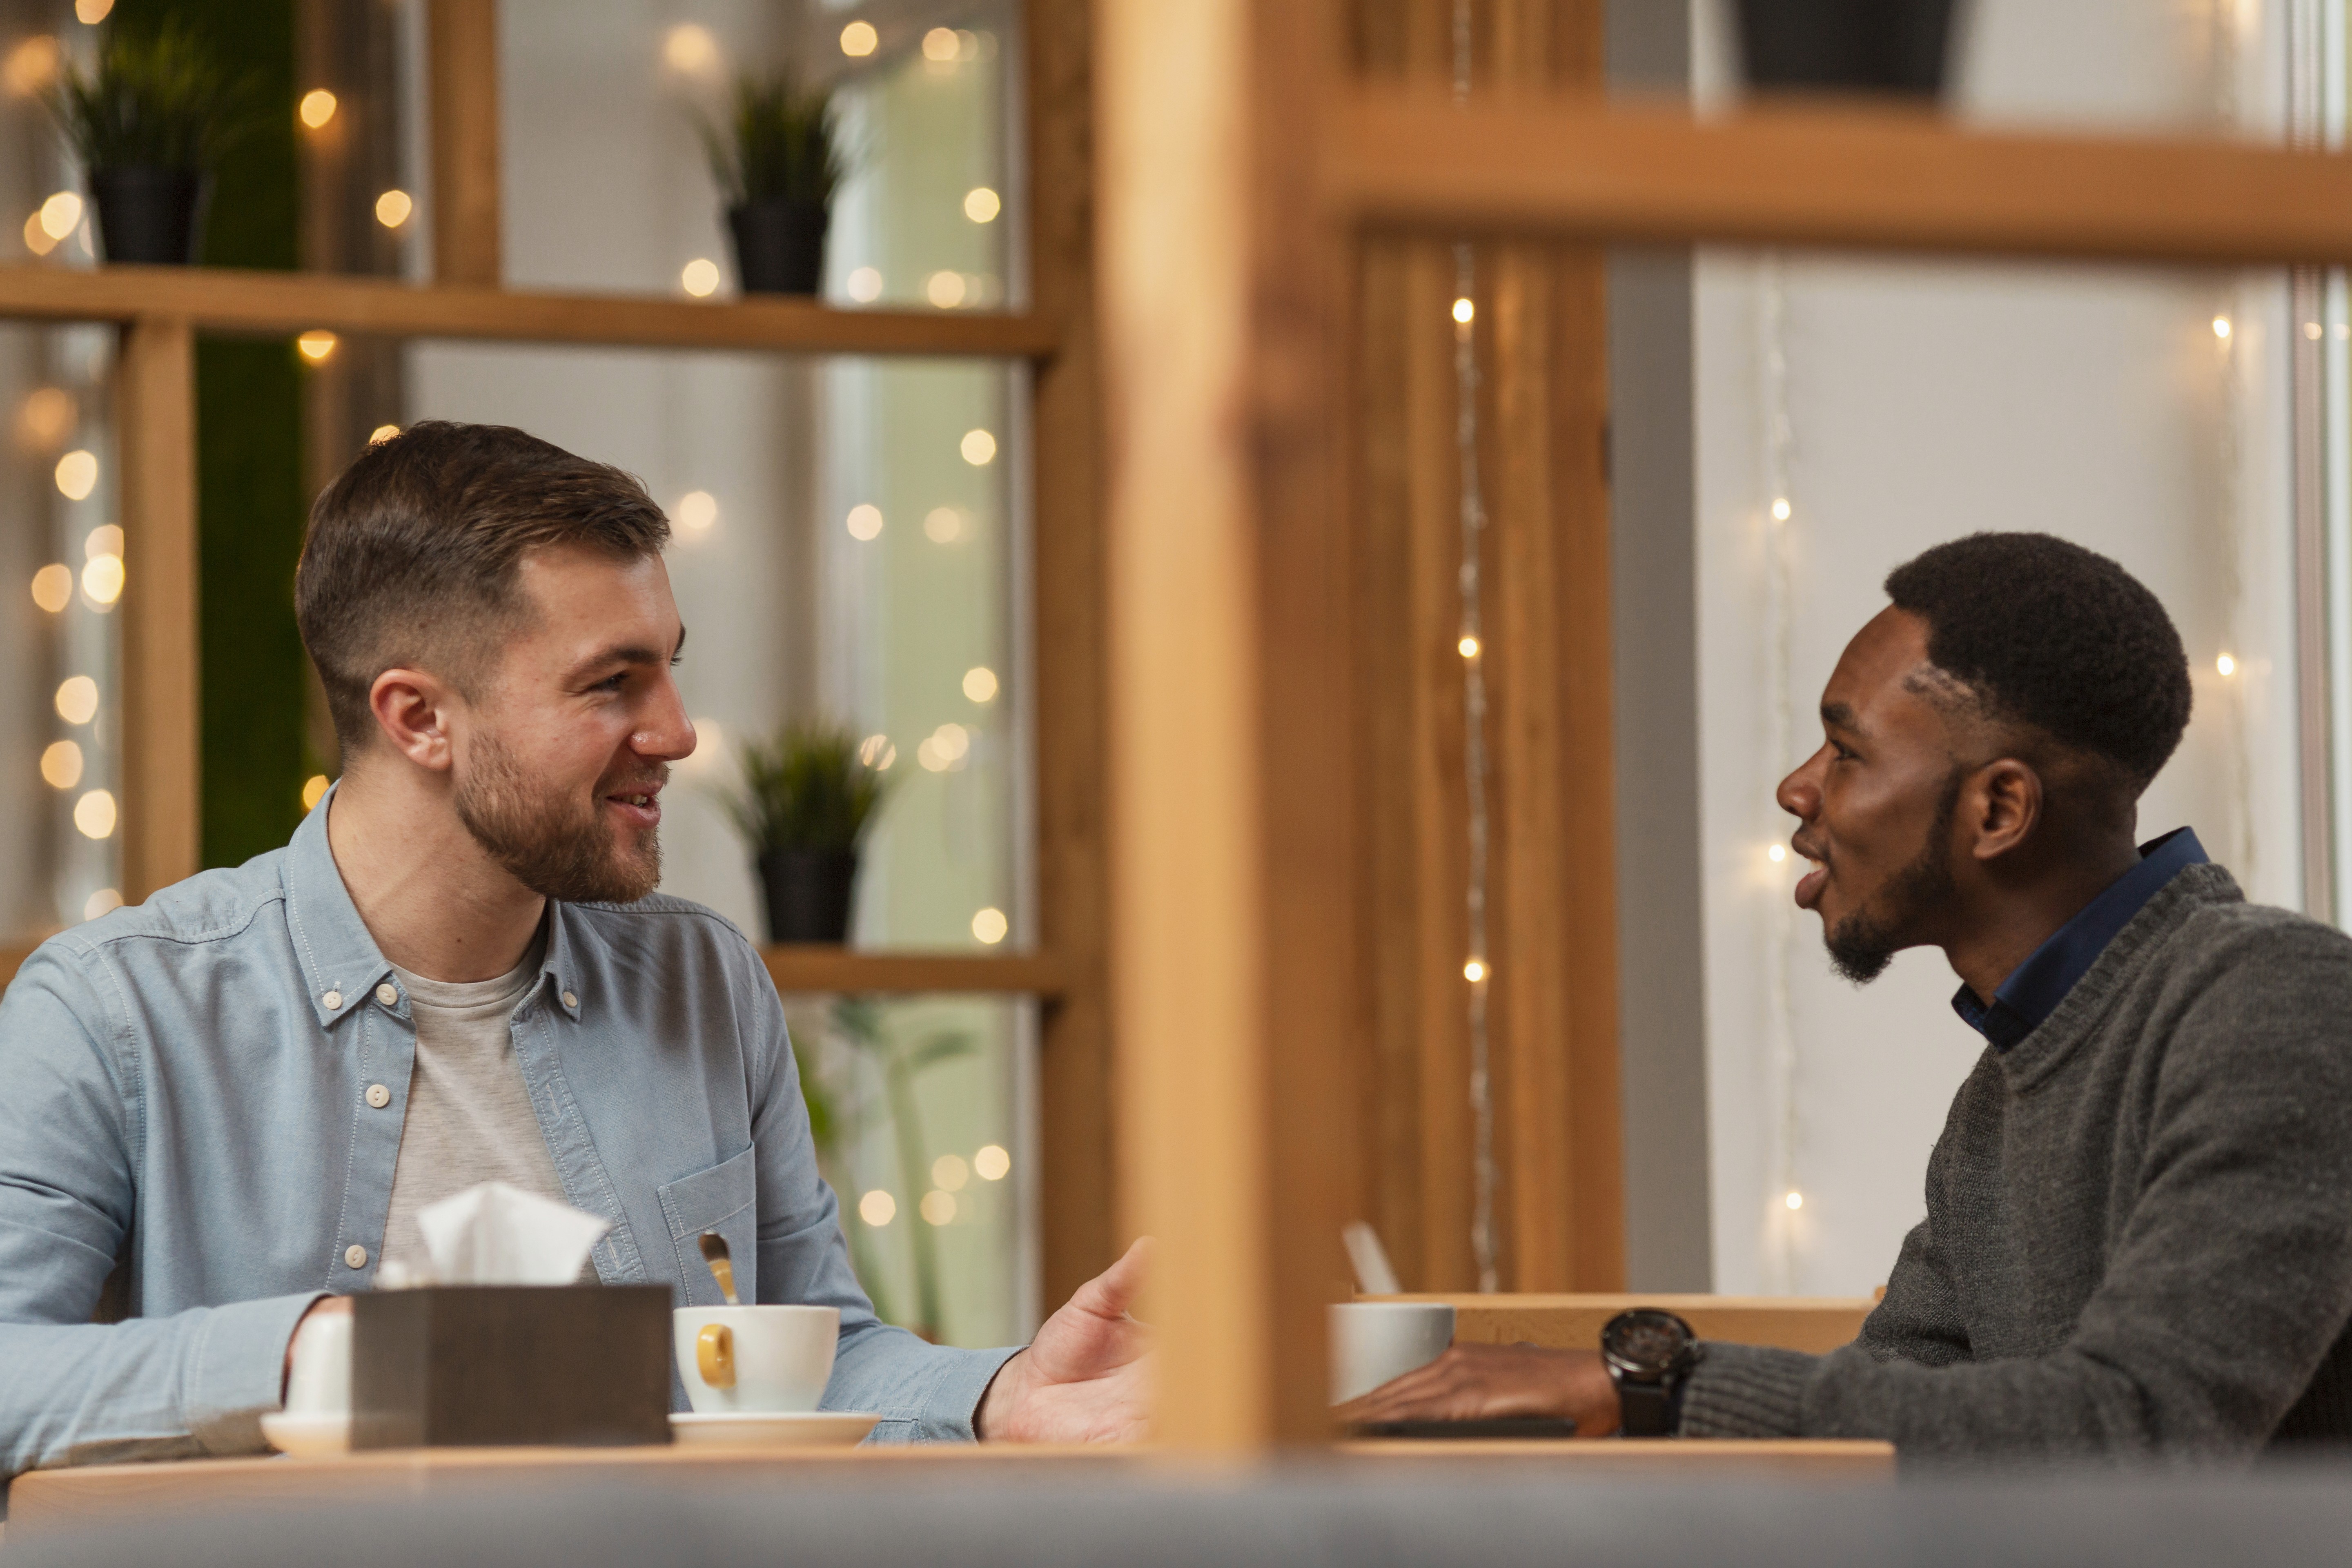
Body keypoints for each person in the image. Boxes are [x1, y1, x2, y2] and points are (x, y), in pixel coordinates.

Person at [0, 422, 1148, 1489]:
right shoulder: (116, 1009)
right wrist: (321, 1351)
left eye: (669, 666)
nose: (679, 731)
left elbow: (814, 1358)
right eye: (614, 682)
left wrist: (1001, 1397)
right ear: (418, 719)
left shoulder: (704, 983)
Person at [1342, 532, 2352, 1457]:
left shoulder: (2276, 1002)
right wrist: (1556, 1395)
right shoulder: (2005, 1096)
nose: (1799, 787)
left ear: (1999, 808)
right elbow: (1889, 1405)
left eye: (1848, 751)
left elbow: (2135, 1427)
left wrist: (1649, 1387)